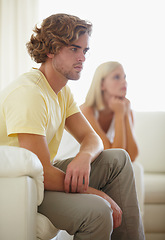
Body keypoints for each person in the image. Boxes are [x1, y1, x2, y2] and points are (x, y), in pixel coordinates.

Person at [0, 14, 145, 240]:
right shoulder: (29, 93)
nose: (82, 59)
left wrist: (84, 157)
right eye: (74, 50)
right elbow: (41, 173)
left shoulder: (61, 91)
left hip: (41, 176)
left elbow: (92, 137)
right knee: (98, 211)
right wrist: (98, 194)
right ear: (51, 50)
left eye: (85, 51)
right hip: (22, 185)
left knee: (119, 159)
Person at [80, 61, 138, 162]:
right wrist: (120, 114)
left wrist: (125, 114)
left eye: (124, 77)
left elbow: (132, 157)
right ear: (102, 84)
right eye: (116, 77)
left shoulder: (124, 108)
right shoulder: (86, 110)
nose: (124, 82)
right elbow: (113, 157)